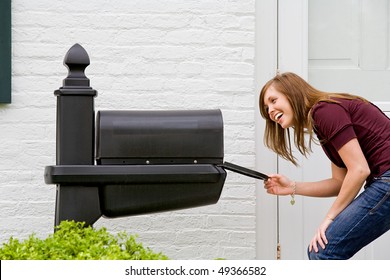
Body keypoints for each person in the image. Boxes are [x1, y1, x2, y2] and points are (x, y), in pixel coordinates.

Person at [259, 72, 390, 260]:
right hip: (383, 180)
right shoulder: (323, 116)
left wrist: (329, 218)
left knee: (323, 251)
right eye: (266, 107)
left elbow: (360, 170)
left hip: (386, 179)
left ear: (292, 93)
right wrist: (292, 187)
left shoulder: (324, 110)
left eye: (273, 100)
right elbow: (339, 182)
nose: (270, 111)